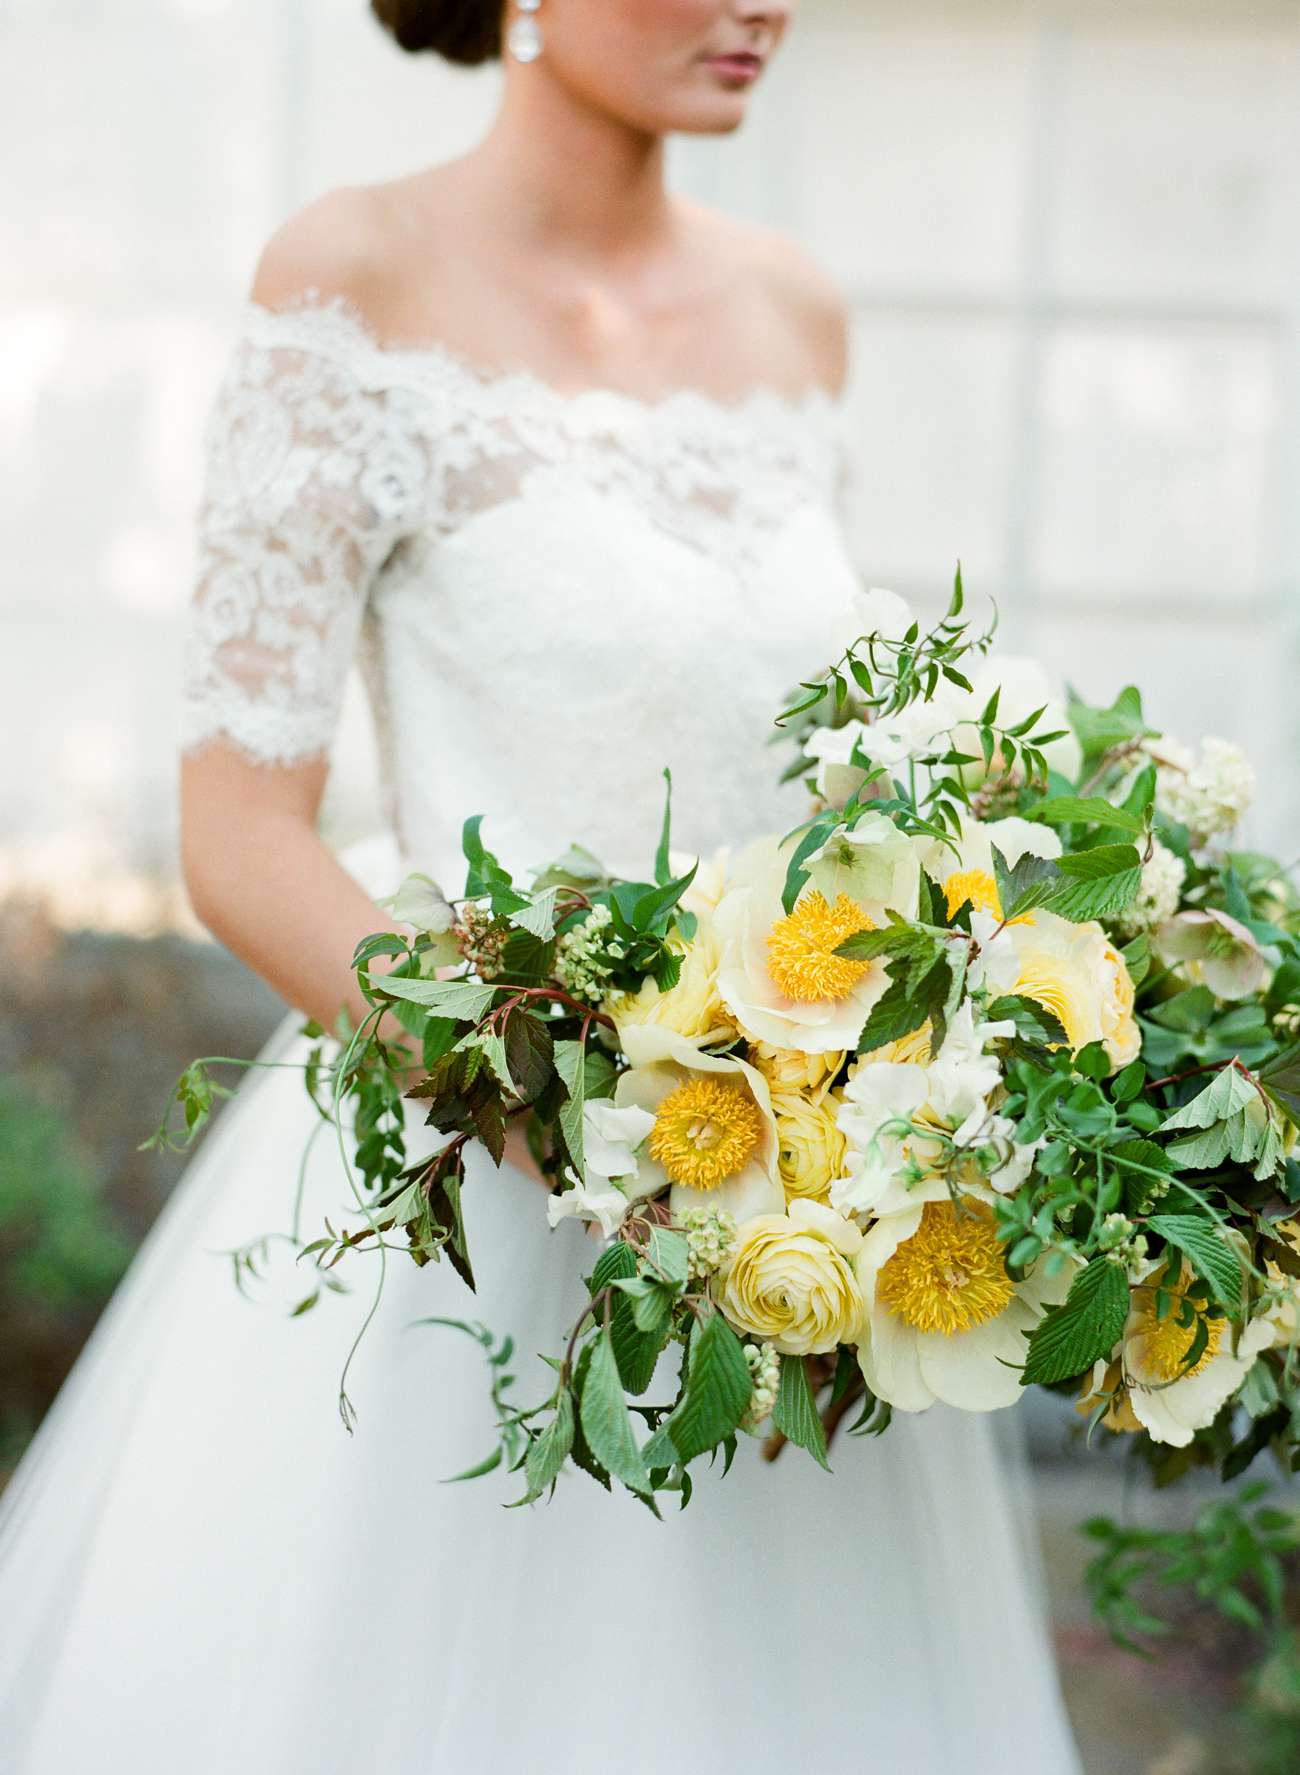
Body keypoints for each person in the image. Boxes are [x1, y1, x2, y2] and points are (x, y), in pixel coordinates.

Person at [0, 2, 1085, 1768]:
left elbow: (816, 764)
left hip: (801, 1223)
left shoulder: (797, 310)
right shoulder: (353, 279)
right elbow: (241, 838)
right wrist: (572, 1106)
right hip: (480, 1195)